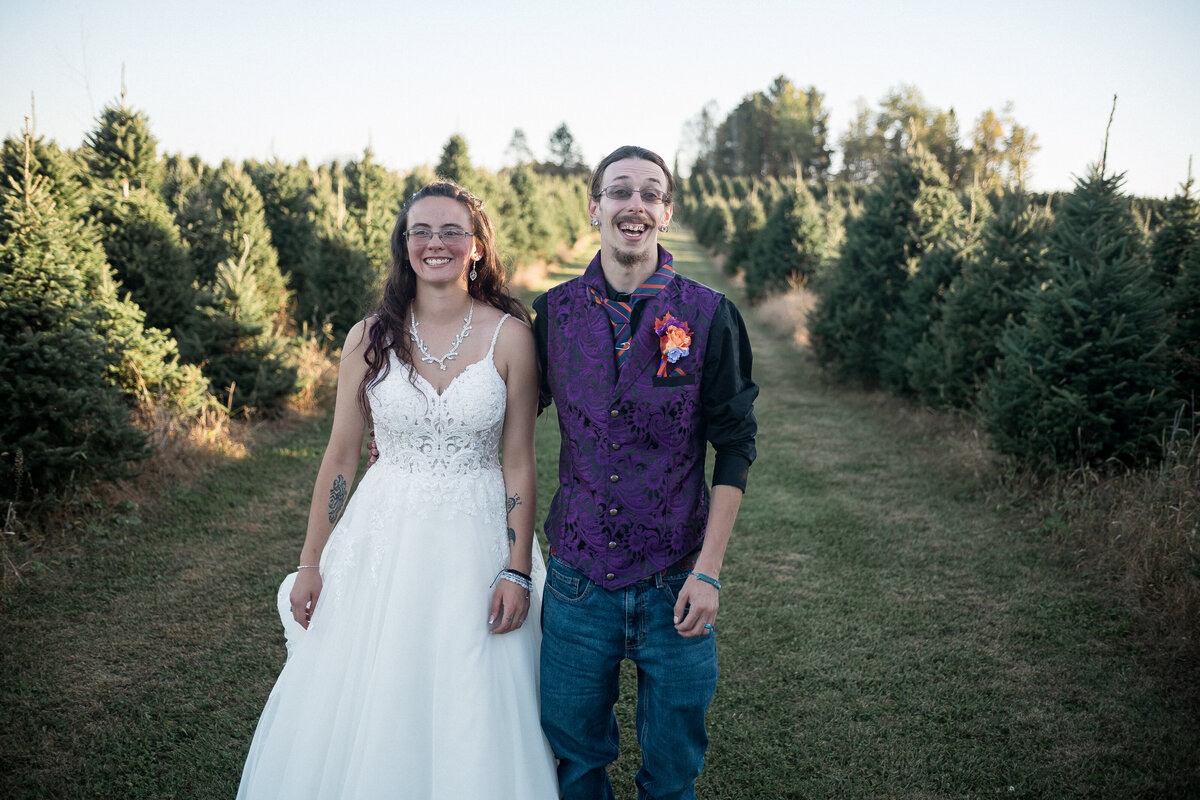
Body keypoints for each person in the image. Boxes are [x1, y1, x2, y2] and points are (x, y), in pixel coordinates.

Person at [237, 181, 559, 799]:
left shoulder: (511, 336)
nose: (435, 243)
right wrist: (311, 562)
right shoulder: (367, 338)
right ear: (404, 245)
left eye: (451, 231)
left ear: (476, 247)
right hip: (384, 534)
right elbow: (340, 457)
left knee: (475, 687)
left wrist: (517, 569)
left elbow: (519, 463)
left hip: (477, 533)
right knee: (371, 684)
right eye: (421, 231)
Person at [533, 146, 758, 800]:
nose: (634, 204)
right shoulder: (553, 313)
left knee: (672, 773)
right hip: (577, 581)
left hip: (676, 583)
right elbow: (507, 412)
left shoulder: (711, 315)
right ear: (595, 206)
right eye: (619, 190)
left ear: (665, 211)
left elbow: (735, 445)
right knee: (575, 765)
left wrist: (709, 571)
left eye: (650, 192)